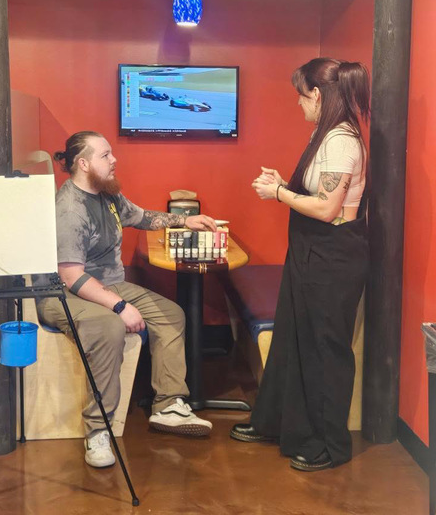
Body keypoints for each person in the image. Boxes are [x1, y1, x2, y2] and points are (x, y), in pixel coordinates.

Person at [36, 131, 217, 468]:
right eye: (105, 155)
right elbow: (71, 276)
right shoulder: (70, 209)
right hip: (64, 293)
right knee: (109, 327)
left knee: (171, 314)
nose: (114, 159)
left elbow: (142, 217)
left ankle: (168, 405)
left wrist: (185, 220)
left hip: (106, 283)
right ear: (84, 163)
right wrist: (119, 306)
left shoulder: (107, 194)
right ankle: (98, 430)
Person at [230, 58, 370, 472]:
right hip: (311, 251)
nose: (299, 104)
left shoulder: (341, 141)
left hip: (333, 256)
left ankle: (329, 444)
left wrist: (277, 193)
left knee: (326, 349)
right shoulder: (325, 134)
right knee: (292, 339)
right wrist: (285, 185)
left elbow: (327, 209)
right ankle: (276, 423)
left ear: (318, 95)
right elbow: (316, 194)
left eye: (301, 95)